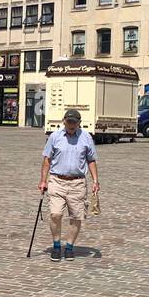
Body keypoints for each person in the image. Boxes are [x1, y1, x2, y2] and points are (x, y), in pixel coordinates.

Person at [38, 109, 100, 261]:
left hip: (77, 182)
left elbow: (91, 160)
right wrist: (43, 180)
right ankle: (57, 245)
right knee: (55, 214)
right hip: (57, 180)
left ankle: (70, 246)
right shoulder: (55, 137)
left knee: (76, 216)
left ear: (79, 123)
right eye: (69, 121)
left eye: (75, 122)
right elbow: (47, 160)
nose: (71, 125)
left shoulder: (86, 137)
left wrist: (95, 180)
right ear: (64, 121)